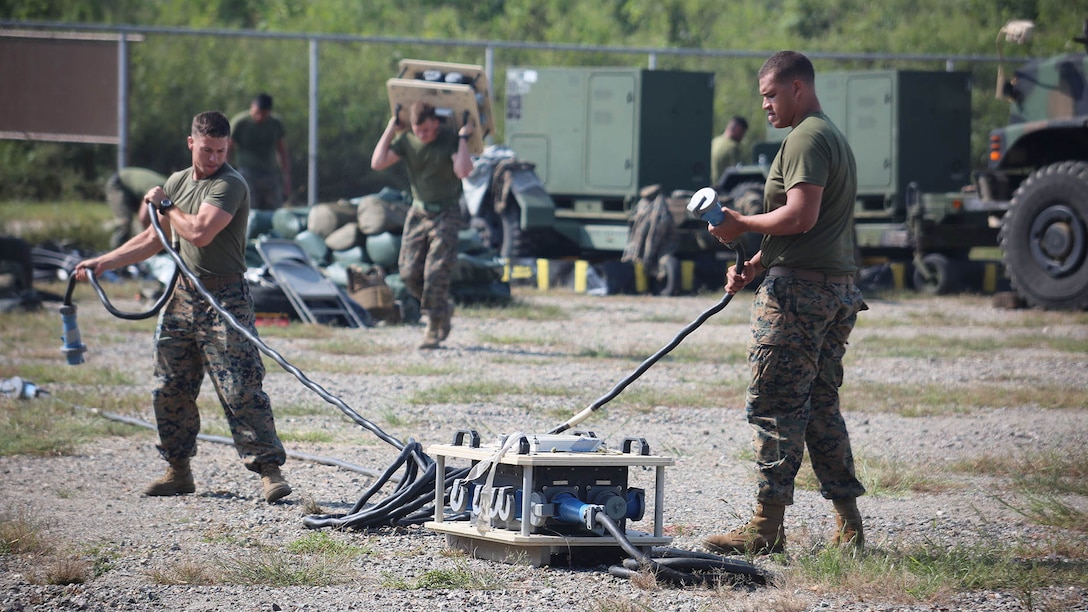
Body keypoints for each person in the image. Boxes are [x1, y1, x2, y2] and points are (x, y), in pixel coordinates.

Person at [74, 111, 292, 504]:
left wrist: (167, 204)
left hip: (225, 297)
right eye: (207, 149)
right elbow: (156, 238)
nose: (213, 158)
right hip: (181, 295)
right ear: (191, 143)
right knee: (169, 386)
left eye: (221, 150)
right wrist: (103, 262)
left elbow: (199, 232)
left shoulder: (229, 184)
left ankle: (269, 471)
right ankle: (178, 470)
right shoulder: (178, 181)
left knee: (240, 386)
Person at [702, 51, 867, 555]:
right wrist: (756, 264)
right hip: (829, 287)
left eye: (772, 95)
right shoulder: (827, 134)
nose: (766, 106)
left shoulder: (806, 137)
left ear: (799, 87)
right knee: (819, 408)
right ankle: (849, 525)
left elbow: (799, 216)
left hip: (799, 298)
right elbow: (805, 231)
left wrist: (741, 224)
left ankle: (765, 529)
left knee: (774, 405)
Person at [370, 101, 474, 349]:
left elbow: (463, 171)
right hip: (419, 212)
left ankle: (434, 325)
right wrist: (390, 130)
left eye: (426, 130)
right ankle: (442, 308)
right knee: (407, 273)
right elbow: (378, 163)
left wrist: (463, 140)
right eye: (418, 131)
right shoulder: (407, 140)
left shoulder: (448, 139)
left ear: (436, 123)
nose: (422, 135)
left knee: (436, 273)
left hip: (446, 213)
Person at [230, 93, 291, 210]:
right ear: (252, 107)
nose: (259, 117)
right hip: (247, 172)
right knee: (248, 209)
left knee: (274, 210)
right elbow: (228, 147)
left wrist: (286, 177)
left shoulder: (275, 123)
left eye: (264, 114)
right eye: (257, 113)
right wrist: (228, 171)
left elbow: (282, 149)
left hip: (269, 172)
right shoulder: (240, 122)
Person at [105, 167, 166, 249]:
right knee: (124, 223)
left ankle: (138, 251)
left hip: (136, 192)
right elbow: (143, 218)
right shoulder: (157, 191)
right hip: (119, 184)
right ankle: (114, 255)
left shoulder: (167, 192)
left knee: (150, 227)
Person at [710, 115, 749, 187]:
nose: (743, 137)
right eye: (743, 133)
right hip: (725, 190)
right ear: (738, 129)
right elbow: (739, 172)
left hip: (710, 188)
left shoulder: (714, 142)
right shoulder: (733, 147)